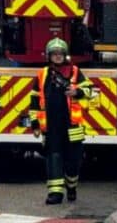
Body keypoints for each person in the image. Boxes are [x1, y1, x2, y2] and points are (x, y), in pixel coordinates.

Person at [29, 38, 93, 205]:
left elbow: (90, 90)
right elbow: (34, 100)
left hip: (72, 126)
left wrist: (77, 91)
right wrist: (35, 124)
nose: (57, 57)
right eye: (54, 54)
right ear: (49, 56)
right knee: (53, 158)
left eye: (60, 54)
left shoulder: (75, 71)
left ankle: (71, 186)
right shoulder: (42, 74)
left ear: (65, 55)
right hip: (51, 126)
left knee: (73, 161)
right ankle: (55, 193)